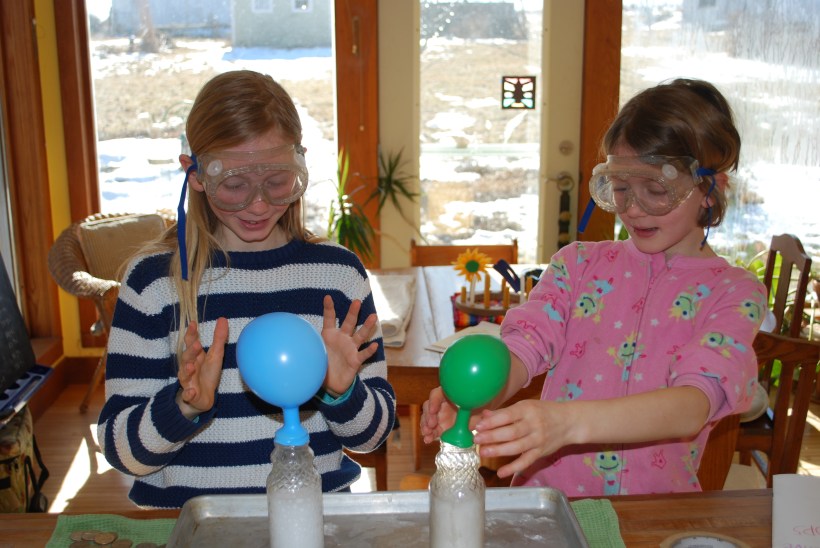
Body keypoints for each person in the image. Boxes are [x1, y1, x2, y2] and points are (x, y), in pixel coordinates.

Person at [421, 78, 768, 496]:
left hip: (654, 513)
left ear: (712, 190)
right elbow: (523, 349)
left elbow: (693, 404)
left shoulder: (734, 292)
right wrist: (476, 395)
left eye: (656, 189)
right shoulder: (577, 264)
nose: (633, 208)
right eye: (620, 188)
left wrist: (563, 423)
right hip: (551, 501)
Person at [98, 70, 396, 509]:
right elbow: (122, 453)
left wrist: (342, 391)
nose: (258, 204)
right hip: (195, 527)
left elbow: (372, 438)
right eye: (235, 184)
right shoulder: (154, 284)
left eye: (277, 181)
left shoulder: (338, 274)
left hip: (315, 523)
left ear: (300, 163)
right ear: (195, 174)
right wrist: (183, 406)